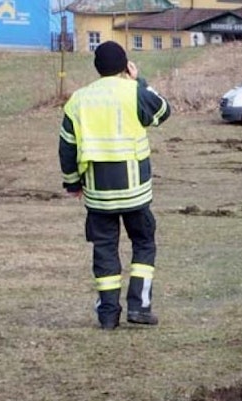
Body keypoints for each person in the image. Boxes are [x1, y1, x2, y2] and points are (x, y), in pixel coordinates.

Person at [59, 41, 171, 330]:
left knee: (104, 249)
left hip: (98, 194)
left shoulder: (79, 100)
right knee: (144, 243)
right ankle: (140, 306)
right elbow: (162, 111)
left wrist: (72, 183)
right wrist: (139, 81)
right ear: (125, 66)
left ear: (97, 68)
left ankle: (108, 316)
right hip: (135, 190)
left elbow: (67, 147)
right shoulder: (134, 91)